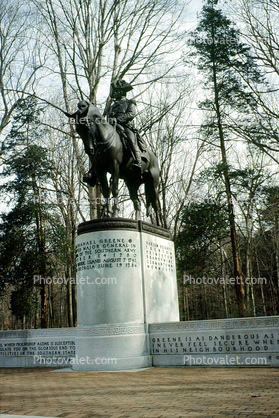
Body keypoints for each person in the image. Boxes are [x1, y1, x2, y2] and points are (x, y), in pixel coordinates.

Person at [108, 79, 142, 173]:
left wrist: (119, 120)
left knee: (130, 139)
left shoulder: (129, 102)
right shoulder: (112, 106)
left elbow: (131, 114)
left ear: (121, 92)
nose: (114, 94)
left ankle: (138, 161)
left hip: (125, 126)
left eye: (116, 92)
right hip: (112, 127)